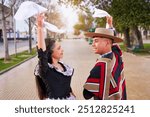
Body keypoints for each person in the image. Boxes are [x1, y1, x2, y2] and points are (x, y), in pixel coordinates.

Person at [83, 17, 127, 100]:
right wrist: (109, 27)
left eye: (96, 41)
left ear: (107, 43)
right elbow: (113, 45)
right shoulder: (117, 56)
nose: (92, 44)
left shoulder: (99, 67)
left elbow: (86, 95)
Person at [34, 14, 75, 100]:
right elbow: (42, 53)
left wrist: (71, 93)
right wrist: (40, 28)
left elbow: (65, 84)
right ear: (50, 52)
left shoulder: (64, 67)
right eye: (59, 48)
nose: (62, 50)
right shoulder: (46, 69)